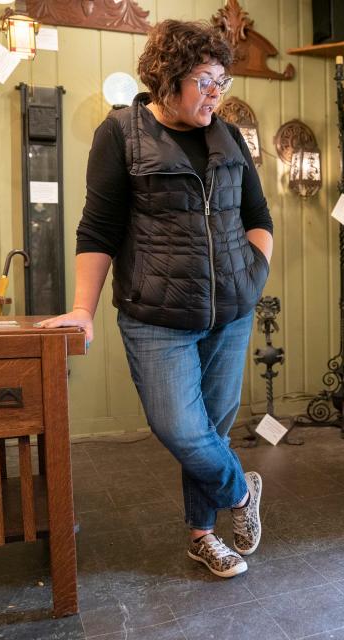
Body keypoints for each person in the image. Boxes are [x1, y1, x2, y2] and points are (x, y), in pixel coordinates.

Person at [38, 19, 272, 578]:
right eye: (205, 80)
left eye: (223, 82)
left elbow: (257, 216)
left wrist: (254, 275)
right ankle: (242, 492)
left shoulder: (230, 136)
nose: (217, 93)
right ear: (168, 79)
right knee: (181, 429)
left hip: (231, 313)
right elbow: (97, 229)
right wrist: (81, 309)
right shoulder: (120, 133)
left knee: (211, 432)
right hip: (156, 317)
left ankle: (202, 537)